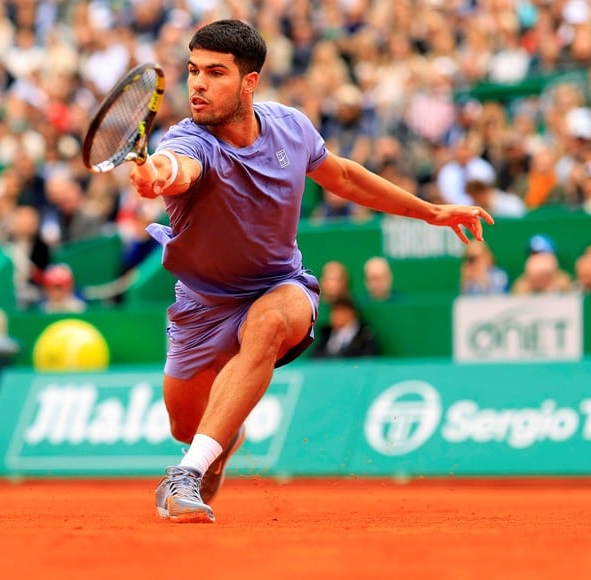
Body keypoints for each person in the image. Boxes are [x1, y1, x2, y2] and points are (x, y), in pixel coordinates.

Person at [128, 20, 493, 524]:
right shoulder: (189, 141)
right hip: (202, 306)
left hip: (280, 286)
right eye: (193, 71)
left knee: (269, 323)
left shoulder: (291, 127)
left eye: (215, 73)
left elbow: (342, 176)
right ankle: (220, 437)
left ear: (249, 82)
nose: (198, 85)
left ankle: (184, 474)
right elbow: (174, 169)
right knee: (185, 426)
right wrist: (154, 175)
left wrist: (430, 211)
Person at [310, 296, 378, 359]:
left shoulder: (364, 336)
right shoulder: (326, 334)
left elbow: (366, 359)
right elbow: (315, 357)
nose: (336, 315)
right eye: (334, 311)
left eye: (341, 311)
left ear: (352, 313)